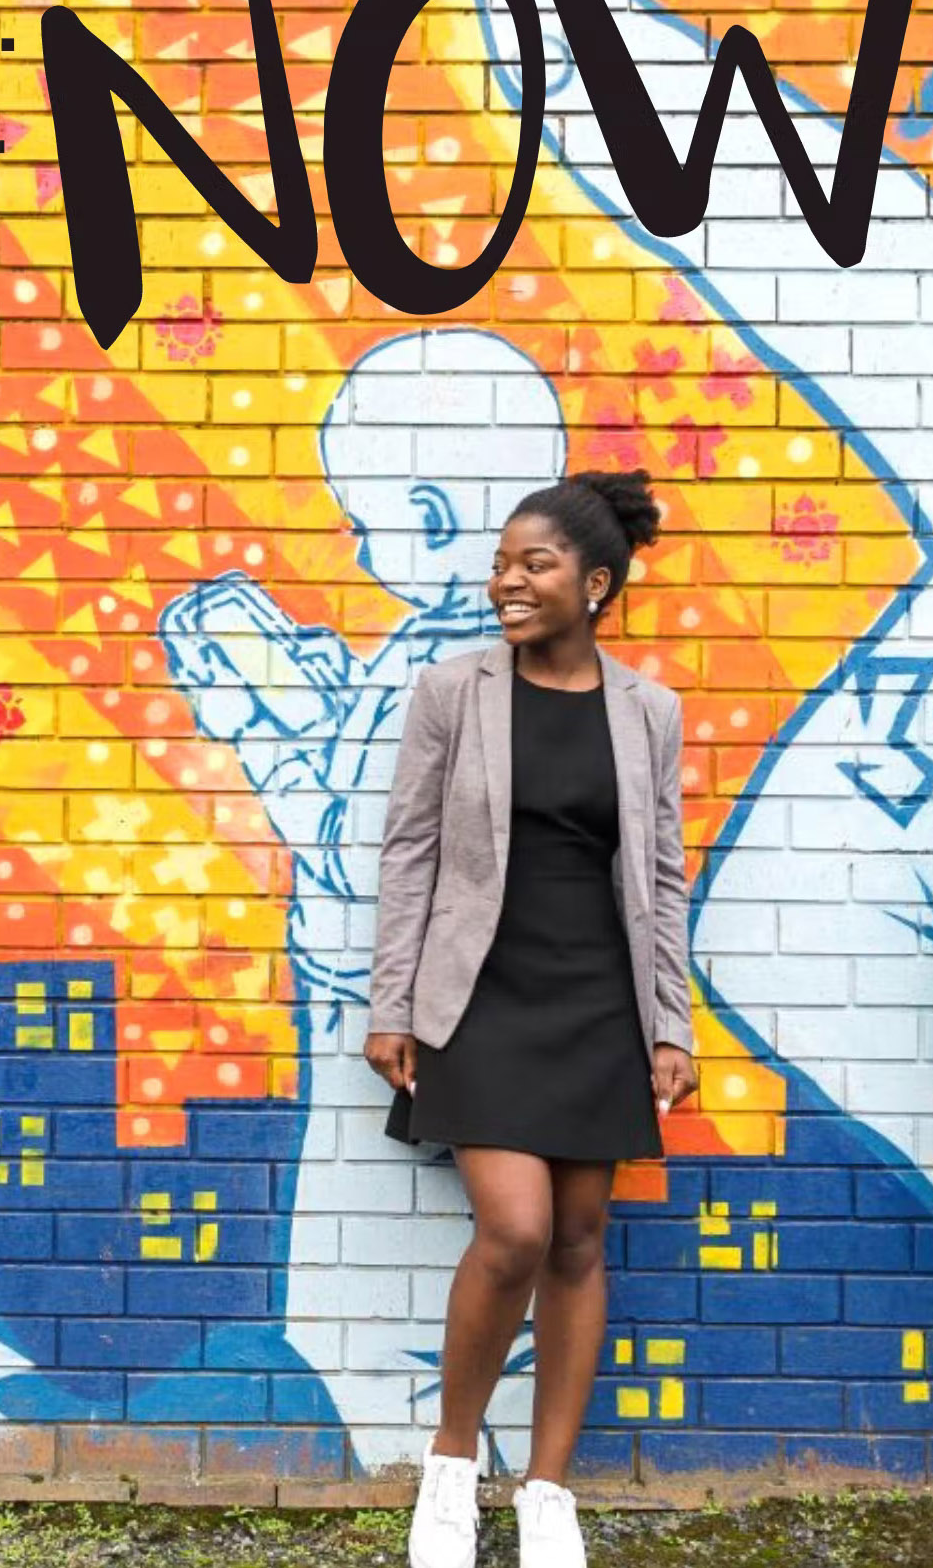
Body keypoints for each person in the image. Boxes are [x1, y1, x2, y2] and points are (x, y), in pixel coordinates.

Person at [363, 470, 699, 1568]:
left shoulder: (649, 712)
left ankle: (547, 1489)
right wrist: (392, 1001)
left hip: (600, 998)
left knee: (580, 1239)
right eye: (503, 563)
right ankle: (451, 1469)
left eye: (534, 563)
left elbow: (661, 877)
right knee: (513, 1230)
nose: (506, 580)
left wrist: (671, 1025)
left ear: (595, 583)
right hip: (483, 997)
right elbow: (409, 849)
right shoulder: (453, 691)